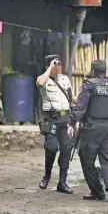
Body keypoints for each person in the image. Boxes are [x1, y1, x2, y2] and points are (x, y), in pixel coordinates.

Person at [67, 60, 108, 202]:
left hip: (92, 128)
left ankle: (97, 191)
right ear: (105, 71)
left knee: (87, 158)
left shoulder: (89, 85)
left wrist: (71, 122)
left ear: (92, 71)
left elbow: (80, 107)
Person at [37, 55, 76, 194]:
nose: (58, 66)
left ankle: (62, 182)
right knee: (51, 148)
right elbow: (40, 83)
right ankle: (47, 175)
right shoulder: (43, 78)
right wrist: (50, 68)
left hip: (66, 118)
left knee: (66, 150)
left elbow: (71, 98)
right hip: (51, 119)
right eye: (55, 64)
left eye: (59, 63)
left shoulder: (65, 79)